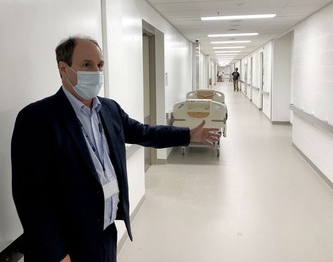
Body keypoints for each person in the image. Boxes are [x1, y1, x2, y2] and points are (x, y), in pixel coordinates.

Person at [11, 35, 221, 262]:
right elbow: (30, 197)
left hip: (106, 234)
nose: (96, 72)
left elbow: (144, 133)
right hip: (66, 246)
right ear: (63, 69)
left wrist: (188, 134)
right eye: (86, 65)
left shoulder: (109, 110)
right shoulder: (37, 118)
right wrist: (57, 253)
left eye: (100, 65)